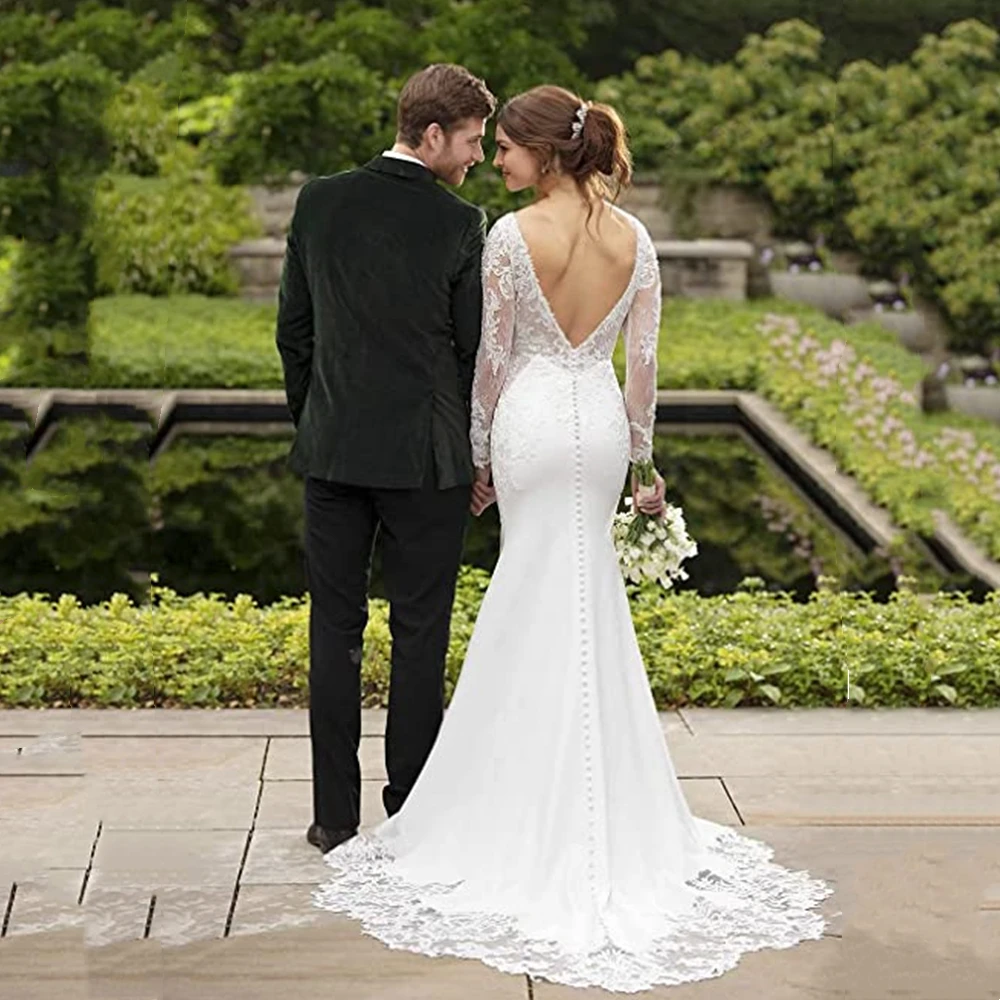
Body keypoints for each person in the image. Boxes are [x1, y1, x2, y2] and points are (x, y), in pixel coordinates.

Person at [314, 85, 834, 993]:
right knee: (588, 600)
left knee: (527, 592)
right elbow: (643, 367)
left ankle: (510, 802)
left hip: (530, 429)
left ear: (545, 154)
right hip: (596, 427)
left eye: (508, 148)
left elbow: (491, 359)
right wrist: (640, 464)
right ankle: (610, 805)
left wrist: (476, 456)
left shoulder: (512, 238)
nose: (500, 162)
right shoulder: (637, 242)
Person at [275, 64, 497, 856]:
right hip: (427, 465)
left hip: (333, 455)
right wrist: (479, 454)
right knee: (419, 633)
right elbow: (472, 355)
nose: (476, 157)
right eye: (471, 142)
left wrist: (321, 421)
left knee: (331, 631)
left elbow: (293, 334)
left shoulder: (319, 200)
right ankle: (410, 809)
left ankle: (334, 819)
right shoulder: (459, 223)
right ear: (432, 135)